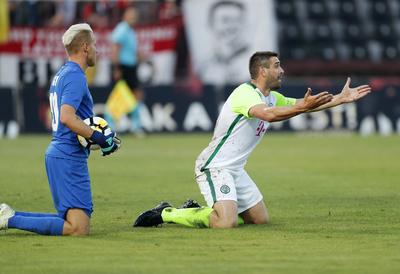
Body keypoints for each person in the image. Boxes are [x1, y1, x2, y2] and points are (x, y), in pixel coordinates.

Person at [134, 51, 371, 229]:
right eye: (277, 66)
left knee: (259, 220)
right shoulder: (244, 94)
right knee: (226, 223)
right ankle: (168, 213)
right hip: (214, 166)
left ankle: (204, 210)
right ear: (263, 71)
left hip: (235, 169)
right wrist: (302, 108)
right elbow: (268, 114)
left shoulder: (271, 96)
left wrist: (340, 99)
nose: (282, 70)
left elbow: (301, 105)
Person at [0, 23, 120, 236]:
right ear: (84, 47)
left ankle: (9, 216)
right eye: (94, 44)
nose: (97, 50)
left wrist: (99, 138)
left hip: (61, 153)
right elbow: (66, 117)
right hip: (68, 155)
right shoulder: (75, 76)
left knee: (72, 222)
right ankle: (11, 219)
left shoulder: (63, 73)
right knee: (78, 228)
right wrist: (98, 137)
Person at [110, 6, 144, 135]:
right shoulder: (122, 29)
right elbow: (115, 49)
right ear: (125, 16)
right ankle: (113, 124)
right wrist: (116, 68)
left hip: (131, 67)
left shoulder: (130, 31)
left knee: (136, 95)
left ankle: (135, 125)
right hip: (123, 67)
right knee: (120, 96)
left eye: (135, 16)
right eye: (131, 15)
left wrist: (141, 57)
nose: (134, 18)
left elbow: (132, 50)